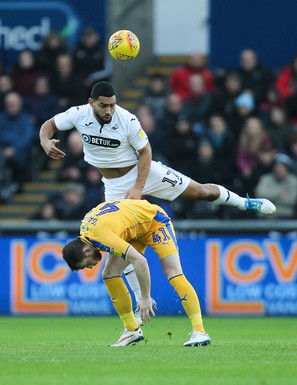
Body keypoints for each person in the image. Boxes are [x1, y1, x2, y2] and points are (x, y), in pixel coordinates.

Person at [39, 81, 276, 319]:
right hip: (112, 185)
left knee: (203, 193)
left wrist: (138, 187)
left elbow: (145, 152)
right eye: (104, 105)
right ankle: (141, 308)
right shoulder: (78, 114)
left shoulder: (127, 119)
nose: (109, 110)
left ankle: (245, 203)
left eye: (112, 104)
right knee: (121, 247)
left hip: (144, 172)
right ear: (92, 103)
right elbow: (48, 125)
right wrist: (45, 141)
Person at [62, 198, 212, 347]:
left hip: (154, 222)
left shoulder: (101, 235)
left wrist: (145, 298)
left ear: (86, 250)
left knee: (173, 273)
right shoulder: (86, 233)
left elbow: (140, 261)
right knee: (109, 274)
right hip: (133, 231)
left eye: (85, 265)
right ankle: (131, 330)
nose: (90, 267)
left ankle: (200, 332)